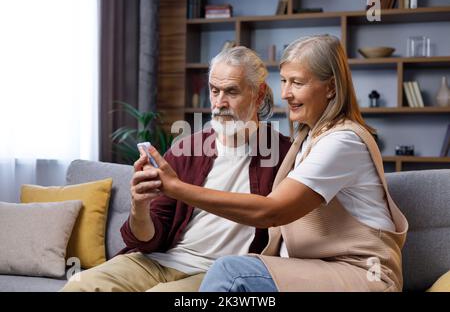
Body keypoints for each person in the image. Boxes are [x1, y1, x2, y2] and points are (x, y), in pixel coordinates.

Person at [144, 35, 409, 292]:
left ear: (330, 88)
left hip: (362, 274)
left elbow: (272, 212)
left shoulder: (342, 142)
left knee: (232, 273)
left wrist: (176, 188)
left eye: (297, 83)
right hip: (317, 268)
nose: (285, 94)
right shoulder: (307, 138)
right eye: (283, 81)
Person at [61, 46, 291, 292]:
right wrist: (140, 206)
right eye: (214, 91)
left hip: (217, 273)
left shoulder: (283, 155)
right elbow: (149, 239)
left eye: (231, 92)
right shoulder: (187, 149)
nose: (220, 103)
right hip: (159, 261)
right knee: (80, 285)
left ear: (258, 94)